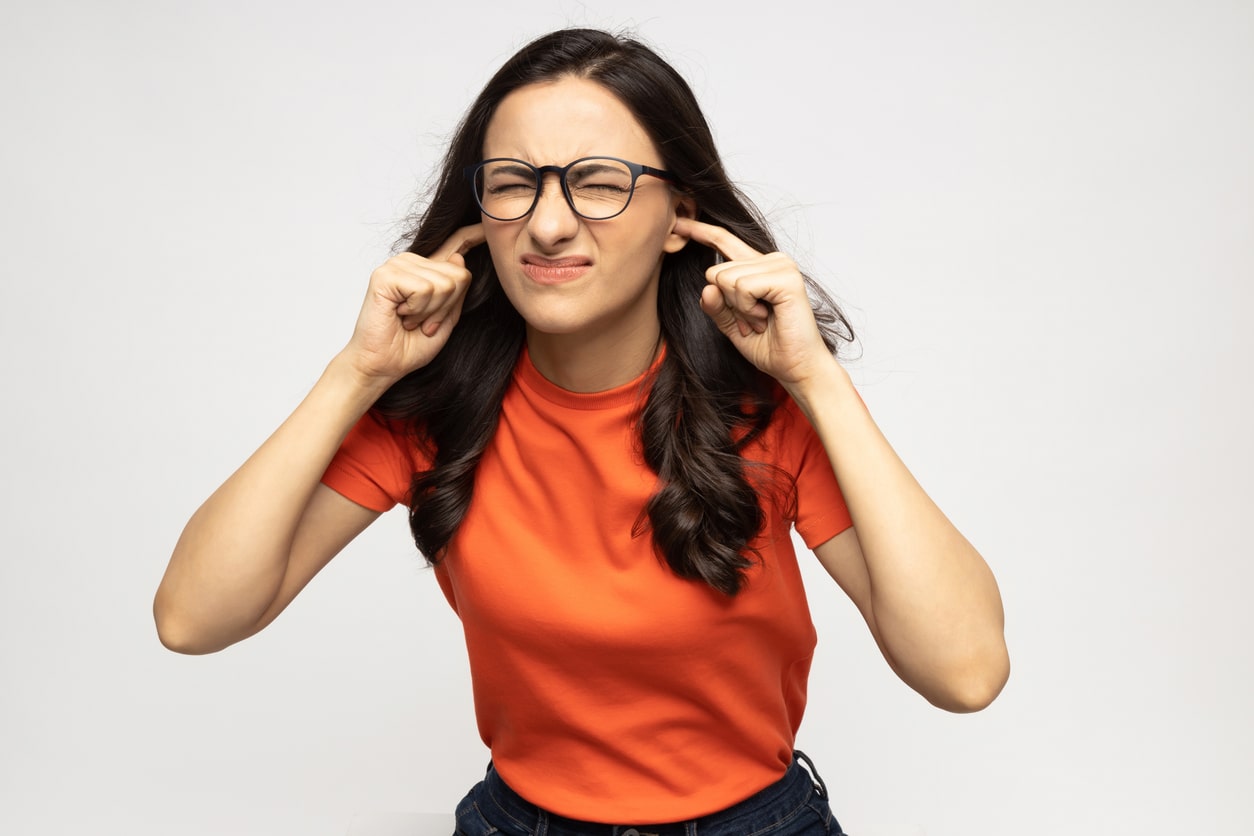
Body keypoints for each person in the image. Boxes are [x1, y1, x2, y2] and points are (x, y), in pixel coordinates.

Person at [154, 27, 1009, 836]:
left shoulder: (765, 411)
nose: (549, 223)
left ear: (681, 211)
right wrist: (360, 372)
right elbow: (194, 618)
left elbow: (964, 672)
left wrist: (814, 378)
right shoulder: (439, 412)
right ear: (478, 208)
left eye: (599, 182)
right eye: (513, 182)